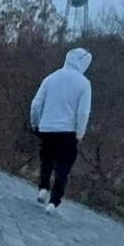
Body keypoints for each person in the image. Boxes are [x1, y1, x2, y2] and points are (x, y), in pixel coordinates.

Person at [27, 47, 93, 212]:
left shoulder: (51, 78)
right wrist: (79, 133)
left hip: (47, 127)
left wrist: (35, 123)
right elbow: (83, 112)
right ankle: (54, 201)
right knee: (63, 166)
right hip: (68, 132)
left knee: (46, 160)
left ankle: (43, 188)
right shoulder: (84, 84)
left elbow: (36, 104)